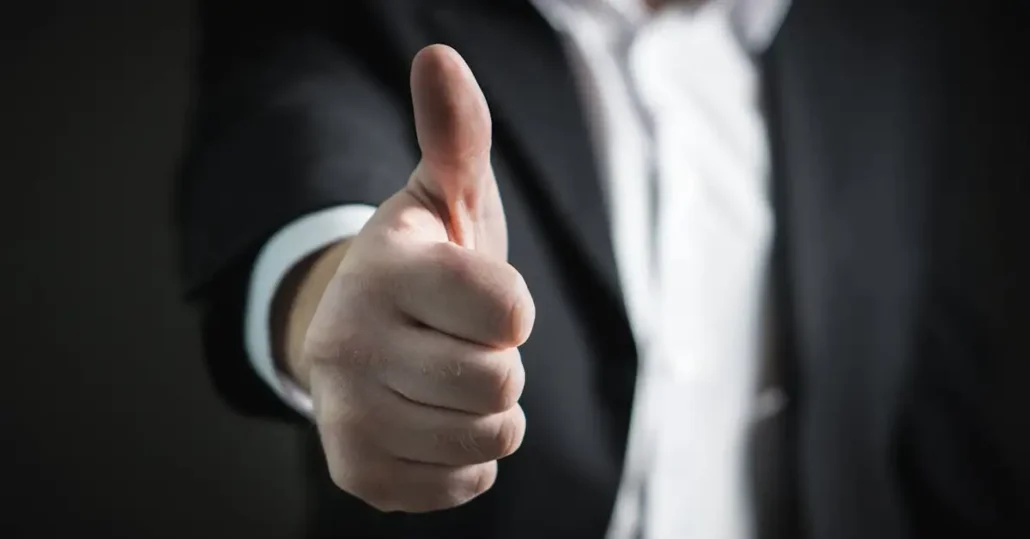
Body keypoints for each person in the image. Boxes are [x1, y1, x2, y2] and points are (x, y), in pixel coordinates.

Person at [176, 1, 1029, 538]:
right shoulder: (356, 15)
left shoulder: (898, 35)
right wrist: (344, 316)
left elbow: (941, 417)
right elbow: (299, 164)